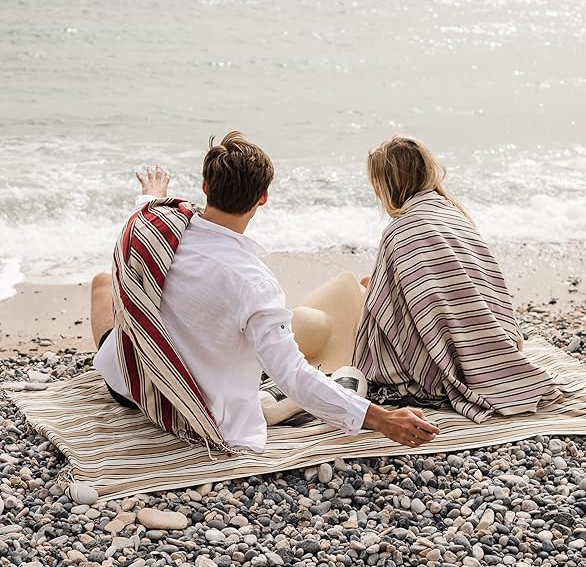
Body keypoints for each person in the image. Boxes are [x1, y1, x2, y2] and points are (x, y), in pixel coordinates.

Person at [91, 131, 439, 452]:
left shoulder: (153, 226)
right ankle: (288, 401)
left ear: (204, 186)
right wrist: (383, 419)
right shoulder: (253, 283)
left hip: (127, 380)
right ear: (263, 198)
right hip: (187, 407)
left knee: (102, 284)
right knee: (280, 360)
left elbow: (143, 210)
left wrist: (152, 195)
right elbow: (292, 374)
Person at [353, 135, 561, 423]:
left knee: (350, 291)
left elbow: (383, 313)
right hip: (502, 343)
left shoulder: (399, 229)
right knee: (367, 284)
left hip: (435, 371)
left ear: (387, 184)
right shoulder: (453, 214)